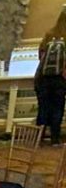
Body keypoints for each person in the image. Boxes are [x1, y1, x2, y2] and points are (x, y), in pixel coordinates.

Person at [36, 9, 66, 145]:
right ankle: (55, 139)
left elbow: (40, 54)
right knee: (57, 108)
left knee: (43, 107)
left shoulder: (50, 33)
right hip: (59, 78)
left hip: (43, 77)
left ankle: (39, 138)